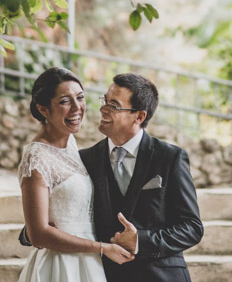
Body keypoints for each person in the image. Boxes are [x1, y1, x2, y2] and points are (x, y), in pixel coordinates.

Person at [82, 72, 204, 282]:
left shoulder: (170, 158)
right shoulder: (85, 159)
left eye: (114, 105)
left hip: (160, 275)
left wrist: (140, 241)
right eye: (104, 100)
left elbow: (192, 228)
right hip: (103, 275)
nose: (103, 109)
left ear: (139, 116)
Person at [16, 67, 134, 282]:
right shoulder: (36, 157)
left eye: (80, 97)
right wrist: (102, 248)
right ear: (43, 109)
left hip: (89, 262)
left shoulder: (70, 143)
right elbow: (38, 234)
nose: (77, 108)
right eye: (64, 101)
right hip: (59, 264)